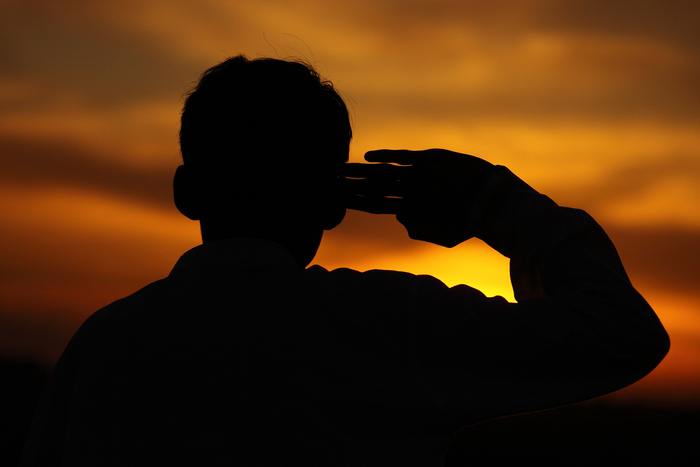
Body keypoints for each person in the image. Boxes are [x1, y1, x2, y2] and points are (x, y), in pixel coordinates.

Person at [20, 55, 669, 466]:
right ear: (335, 203)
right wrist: (494, 204)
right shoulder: (385, 325)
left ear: (186, 193)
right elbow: (622, 332)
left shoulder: (101, 346)